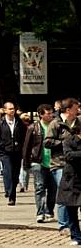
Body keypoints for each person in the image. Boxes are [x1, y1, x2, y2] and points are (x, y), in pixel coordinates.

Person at [45, 97, 81, 233]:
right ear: (68, 110)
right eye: (75, 108)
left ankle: (73, 226)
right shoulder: (56, 123)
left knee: (75, 195)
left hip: (76, 164)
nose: (78, 110)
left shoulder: (79, 122)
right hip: (59, 162)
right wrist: (65, 142)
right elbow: (47, 142)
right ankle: (63, 224)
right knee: (64, 192)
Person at [23, 104, 56, 223]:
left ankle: (49, 210)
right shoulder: (33, 127)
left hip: (53, 162)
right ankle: (40, 213)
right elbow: (27, 146)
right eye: (48, 113)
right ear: (41, 114)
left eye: (51, 113)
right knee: (40, 187)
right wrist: (26, 163)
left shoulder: (55, 126)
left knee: (53, 188)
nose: (51, 115)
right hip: (38, 161)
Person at [0, 101, 26, 206]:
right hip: (5, 152)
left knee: (15, 175)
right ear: (5, 110)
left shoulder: (19, 122)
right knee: (8, 171)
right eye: (10, 109)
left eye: (13, 108)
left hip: (17, 152)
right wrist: (3, 145)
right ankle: (11, 196)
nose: (12, 110)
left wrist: (21, 147)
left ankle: (11, 190)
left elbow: (24, 136)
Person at [57, 132, 81, 245]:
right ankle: (76, 236)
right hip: (71, 179)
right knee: (71, 209)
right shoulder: (69, 140)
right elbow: (68, 155)